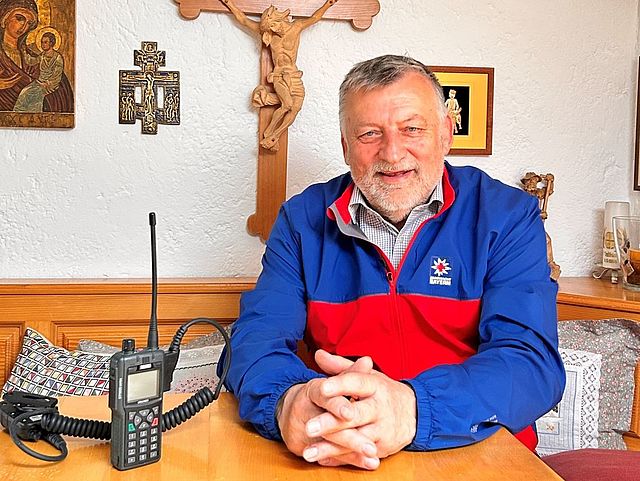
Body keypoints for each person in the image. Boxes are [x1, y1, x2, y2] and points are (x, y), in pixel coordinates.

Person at [223, 54, 565, 470]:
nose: (392, 151)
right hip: (337, 451)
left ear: (446, 134)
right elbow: (256, 339)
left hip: (477, 453)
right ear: (346, 146)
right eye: (369, 134)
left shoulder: (507, 216)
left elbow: (530, 363)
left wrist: (412, 409)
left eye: (412, 129)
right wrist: (288, 402)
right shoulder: (301, 220)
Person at [220, 0, 338, 151]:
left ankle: (273, 133)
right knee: (287, 104)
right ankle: (271, 133)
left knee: (295, 108)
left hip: (294, 75)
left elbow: (315, 18)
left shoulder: (296, 27)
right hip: (278, 76)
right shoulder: (269, 32)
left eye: (275, 25)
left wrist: (328, 4)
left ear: (280, 19)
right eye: (271, 28)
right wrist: (229, 4)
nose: (274, 30)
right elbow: (243, 20)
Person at [0, 0, 73, 112]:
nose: (24, 26)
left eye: (29, 23)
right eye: (19, 18)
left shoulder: (35, 57)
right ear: (4, 19)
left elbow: (62, 91)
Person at [14, 31, 63, 112]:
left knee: (34, 93)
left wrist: (47, 83)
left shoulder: (57, 58)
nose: (42, 44)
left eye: (45, 42)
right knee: (24, 91)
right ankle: (19, 114)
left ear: (51, 43)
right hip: (39, 82)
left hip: (50, 84)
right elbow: (31, 61)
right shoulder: (42, 55)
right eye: (42, 42)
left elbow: (57, 75)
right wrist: (24, 52)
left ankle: (34, 115)